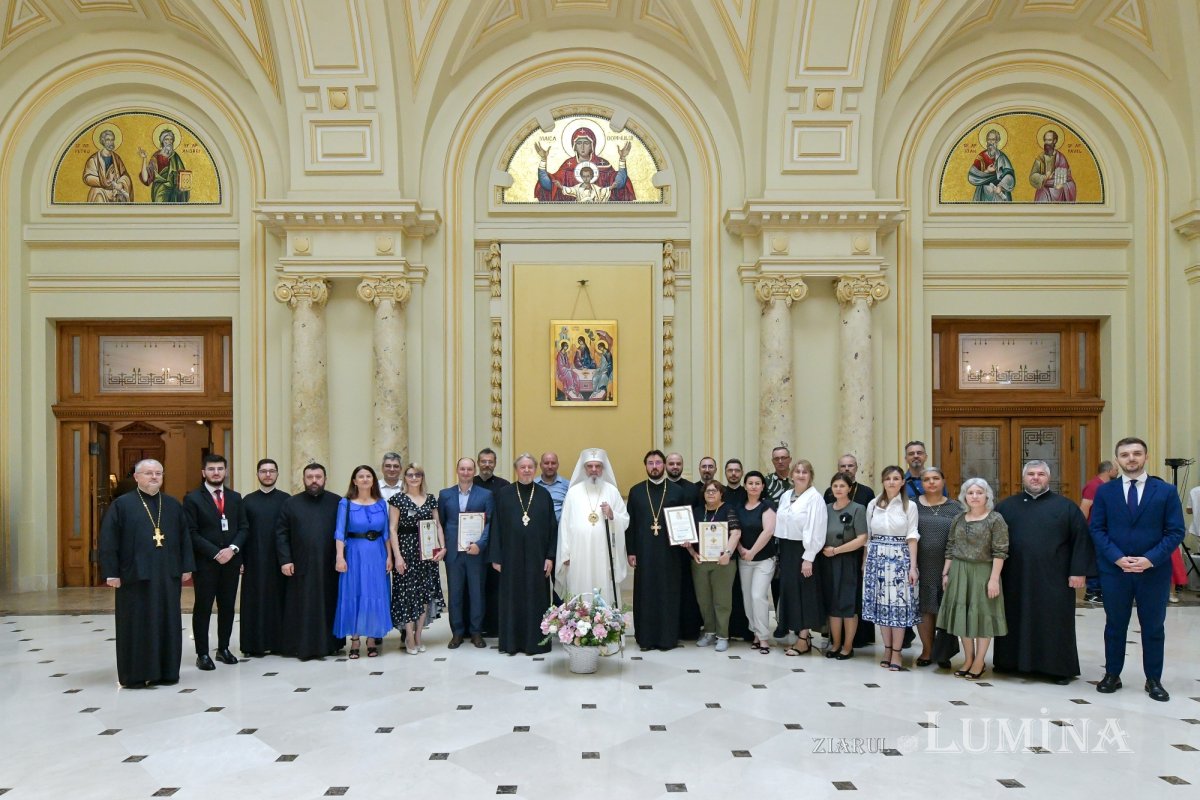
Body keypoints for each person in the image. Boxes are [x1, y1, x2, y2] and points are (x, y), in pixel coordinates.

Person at [1089, 438, 1185, 702]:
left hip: (1153, 572)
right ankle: (1112, 674)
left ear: (1146, 457)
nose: (1131, 458)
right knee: (1115, 625)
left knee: (1153, 627)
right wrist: (1117, 558)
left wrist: (1150, 559)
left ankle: (1153, 679)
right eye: (1125, 454)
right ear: (1117, 459)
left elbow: (1176, 530)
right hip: (1115, 571)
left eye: (1136, 453)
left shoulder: (1165, 491)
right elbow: (1096, 528)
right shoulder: (1105, 492)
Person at [993, 460, 1094, 685]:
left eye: (1040, 474)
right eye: (1031, 474)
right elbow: (993, 541)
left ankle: (1057, 668)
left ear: (1048, 478)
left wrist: (1078, 571)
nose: (1035, 478)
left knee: (1054, 620)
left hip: (1055, 577)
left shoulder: (1066, 507)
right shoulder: (1006, 507)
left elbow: (1081, 539)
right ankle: (1010, 662)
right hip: (1015, 577)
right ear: (1024, 478)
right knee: (1014, 616)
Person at [99, 459, 194, 688]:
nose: (154, 477)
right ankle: (135, 675)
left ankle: (167, 672)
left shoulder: (172, 505)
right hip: (134, 577)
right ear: (136, 477)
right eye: (148, 473)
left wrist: (186, 566)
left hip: (166, 575)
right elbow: (108, 541)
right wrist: (111, 572)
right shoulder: (121, 505)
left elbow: (184, 538)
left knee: (167, 622)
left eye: (158, 473)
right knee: (137, 624)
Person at [938, 478, 1008, 680]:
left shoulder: (995, 519)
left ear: (987, 495)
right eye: (970, 493)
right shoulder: (959, 518)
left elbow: (1000, 551)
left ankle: (979, 662)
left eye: (979, 492)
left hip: (984, 572)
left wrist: (994, 579)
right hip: (959, 571)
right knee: (962, 616)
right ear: (964, 497)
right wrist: (946, 573)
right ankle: (968, 658)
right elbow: (950, 546)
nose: (975, 496)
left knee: (982, 617)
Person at [184, 453, 249, 671]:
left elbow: (243, 528)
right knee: (203, 607)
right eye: (211, 469)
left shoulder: (235, 497)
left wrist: (232, 550)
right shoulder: (192, 498)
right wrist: (215, 552)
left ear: (226, 471)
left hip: (230, 561)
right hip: (206, 563)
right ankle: (202, 653)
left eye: (220, 469)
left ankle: (223, 648)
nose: (216, 473)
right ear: (204, 472)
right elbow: (191, 532)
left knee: (228, 607)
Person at [626, 450, 693, 651]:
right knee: (646, 594)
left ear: (663, 465)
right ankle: (645, 639)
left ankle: (667, 638)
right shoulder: (636, 491)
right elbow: (630, 524)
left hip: (670, 553)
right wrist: (631, 551)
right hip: (644, 553)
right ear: (645, 466)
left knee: (668, 593)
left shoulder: (676, 491)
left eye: (658, 463)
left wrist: (686, 538)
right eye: (650, 463)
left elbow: (683, 520)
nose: (654, 466)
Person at [491, 454, 557, 655]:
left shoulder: (544, 495)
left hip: (537, 559)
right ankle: (511, 643)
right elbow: (496, 527)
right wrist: (496, 557)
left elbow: (553, 528)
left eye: (530, 467)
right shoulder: (504, 494)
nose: (527, 470)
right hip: (510, 558)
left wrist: (550, 556)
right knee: (512, 600)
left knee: (536, 600)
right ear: (516, 469)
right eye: (523, 467)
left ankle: (537, 642)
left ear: (535, 469)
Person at [276, 463, 342, 660]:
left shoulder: (337, 502)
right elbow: (281, 534)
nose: (314, 480)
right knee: (301, 606)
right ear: (303, 479)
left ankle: (331, 644)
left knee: (328, 604)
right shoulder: (291, 503)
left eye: (318, 477)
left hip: (329, 567)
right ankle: (300, 646)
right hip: (300, 566)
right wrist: (285, 560)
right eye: (310, 477)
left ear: (325, 478)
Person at [863, 466, 920, 671]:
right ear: (883, 481)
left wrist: (913, 567)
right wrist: (865, 563)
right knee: (881, 608)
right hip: (876, 557)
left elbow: (912, 536)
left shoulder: (909, 506)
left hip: (900, 558)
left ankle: (897, 652)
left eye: (896, 478)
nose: (892, 482)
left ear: (902, 482)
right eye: (888, 478)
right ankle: (887, 649)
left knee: (898, 608)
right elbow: (868, 537)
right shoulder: (873, 504)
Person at [333, 466, 393, 658]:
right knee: (355, 593)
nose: (365, 479)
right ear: (354, 481)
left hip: (377, 553)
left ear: (373, 480)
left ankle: (372, 638)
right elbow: (340, 533)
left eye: (369, 476)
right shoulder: (346, 503)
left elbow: (386, 534)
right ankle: (356, 640)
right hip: (354, 553)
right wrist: (339, 557)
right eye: (361, 476)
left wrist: (390, 557)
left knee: (374, 593)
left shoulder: (382, 503)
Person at [556, 448, 629, 604]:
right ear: (584, 469)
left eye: (598, 466)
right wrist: (565, 553)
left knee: (603, 587)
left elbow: (625, 520)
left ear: (603, 468)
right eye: (590, 466)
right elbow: (565, 525)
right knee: (579, 588)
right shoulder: (573, 493)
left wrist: (612, 515)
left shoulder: (612, 491)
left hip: (604, 554)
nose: (594, 470)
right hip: (578, 553)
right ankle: (577, 624)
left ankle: (604, 624)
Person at [388, 462, 445, 654]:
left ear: (422, 477)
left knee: (424, 596)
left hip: (427, 553)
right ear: (405, 477)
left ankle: (419, 634)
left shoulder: (430, 499)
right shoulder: (397, 499)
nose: (414, 478)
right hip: (406, 552)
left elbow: (437, 525)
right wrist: (397, 557)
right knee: (407, 595)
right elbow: (392, 529)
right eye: (410, 474)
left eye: (418, 474)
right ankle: (409, 636)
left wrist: (442, 547)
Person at [438, 457, 495, 649]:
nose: (466, 472)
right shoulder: (445, 495)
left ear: (474, 471)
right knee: (455, 594)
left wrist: (481, 544)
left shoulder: (485, 495)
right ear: (457, 470)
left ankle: (476, 632)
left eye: (469, 469)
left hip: (476, 553)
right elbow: (442, 524)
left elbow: (489, 524)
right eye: (462, 469)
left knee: (477, 593)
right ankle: (457, 633)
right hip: (454, 554)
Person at [774, 460, 827, 656]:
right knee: (791, 593)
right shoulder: (786, 496)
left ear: (810, 475)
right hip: (787, 548)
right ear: (792, 474)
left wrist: (809, 557)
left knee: (804, 593)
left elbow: (817, 529)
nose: (801, 475)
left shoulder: (815, 498)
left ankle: (804, 639)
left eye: (805, 472)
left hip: (804, 551)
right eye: (797, 471)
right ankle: (799, 635)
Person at [683, 480, 742, 652]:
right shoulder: (697, 512)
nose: (710, 494)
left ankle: (723, 636)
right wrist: (693, 553)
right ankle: (709, 632)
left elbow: (736, 532)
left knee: (722, 600)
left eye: (714, 491)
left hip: (723, 563)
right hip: (700, 562)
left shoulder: (728, 509)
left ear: (721, 493)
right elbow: (688, 538)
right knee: (704, 600)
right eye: (708, 491)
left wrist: (728, 554)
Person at [913, 466, 963, 667]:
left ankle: (943, 652)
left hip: (947, 565)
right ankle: (927, 650)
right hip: (920, 564)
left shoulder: (956, 507)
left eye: (935, 478)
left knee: (944, 608)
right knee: (924, 608)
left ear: (943, 481)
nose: (931, 482)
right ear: (921, 483)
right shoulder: (912, 506)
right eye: (927, 479)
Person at [240, 458, 289, 658]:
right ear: (258, 474)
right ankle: (255, 644)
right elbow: (241, 530)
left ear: (278, 474)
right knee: (255, 601)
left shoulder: (287, 500)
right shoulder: (247, 501)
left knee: (280, 600)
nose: (268, 475)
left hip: (280, 560)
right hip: (254, 559)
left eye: (271, 471)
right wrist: (240, 559)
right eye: (263, 471)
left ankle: (280, 643)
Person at [820, 472, 867, 660]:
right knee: (833, 603)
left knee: (847, 604)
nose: (838, 489)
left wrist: (837, 551)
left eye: (842, 486)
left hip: (848, 560)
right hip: (827, 560)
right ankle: (836, 643)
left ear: (850, 488)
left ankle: (848, 646)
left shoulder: (858, 509)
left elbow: (862, 538)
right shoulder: (825, 508)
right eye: (835, 486)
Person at [736, 471, 777, 654]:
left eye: (757, 483)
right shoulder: (739, 507)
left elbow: (768, 531)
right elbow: (734, 531)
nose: (753, 486)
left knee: (757, 596)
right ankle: (755, 633)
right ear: (745, 486)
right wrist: (741, 550)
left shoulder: (767, 506)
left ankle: (764, 638)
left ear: (762, 486)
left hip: (764, 560)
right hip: (744, 559)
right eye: (750, 483)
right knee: (747, 599)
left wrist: (752, 551)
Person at [534, 127, 634, 201]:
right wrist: (543, 159)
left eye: (586, 143)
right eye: (578, 143)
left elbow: (619, 183)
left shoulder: (603, 165)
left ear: (592, 145)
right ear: (574, 146)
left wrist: (622, 159)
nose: (582, 147)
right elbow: (549, 185)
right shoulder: (567, 166)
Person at [473, 447, 508, 637]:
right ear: (478, 463)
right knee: (477, 587)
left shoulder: (504, 485)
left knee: (496, 586)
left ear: (495, 464)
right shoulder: (470, 483)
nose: (487, 465)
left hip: (496, 543)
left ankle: (496, 626)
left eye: (490, 461)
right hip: (474, 544)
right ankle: (477, 626)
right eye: (483, 461)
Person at [1079, 460, 1119, 603]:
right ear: (1108, 471)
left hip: (1105, 531)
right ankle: (1093, 591)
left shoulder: (1107, 486)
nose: (1117, 472)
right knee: (1096, 560)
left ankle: (1101, 590)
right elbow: (1084, 508)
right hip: (1093, 530)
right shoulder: (1093, 486)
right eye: (1116, 469)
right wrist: (1082, 529)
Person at [137, 127, 189, 203]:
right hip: (160, 190)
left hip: (174, 191)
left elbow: (183, 175)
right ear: (162, 141)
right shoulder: (156, 157)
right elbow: (145, 178)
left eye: (171, 139)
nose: (169, 142)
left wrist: (183, 186)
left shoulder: (175, 156)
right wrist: (144, 159)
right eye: (166, 139)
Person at [83, 128, 132, 202]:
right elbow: (88, 178)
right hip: (100, 190)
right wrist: (106, 181)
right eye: (108, 140)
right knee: (97, 194)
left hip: (115, 190)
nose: (111, 142)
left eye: (112, 140)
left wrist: (121, 184)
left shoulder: (116, 158)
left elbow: (125, 175)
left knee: (122, 199)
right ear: (102, 141)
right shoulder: (94, 159)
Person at [967, 128, 1015, 202]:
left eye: (993, 140)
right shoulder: (981, 156)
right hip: (984, 194)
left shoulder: (1002, 157)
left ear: (997, 141)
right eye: (989, 139)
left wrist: (1000, 186)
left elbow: (1010, 175)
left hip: (999, 193)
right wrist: (986, 171)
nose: (990, 142)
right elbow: (971, 176)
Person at [1030, 129, 1077, 202]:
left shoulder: (1061, 158)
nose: (1046, 143)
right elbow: (1032, 176)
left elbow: (1068, 179)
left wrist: (1062, 184)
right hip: (1044, 191)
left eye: (1049, 140)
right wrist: (1045, 177)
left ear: (1054, 141)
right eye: (1045, 140)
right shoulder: (1040, 158)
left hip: (1060, 192)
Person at [534, 451, 570, 521]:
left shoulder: (567, 485)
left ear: (558, 465)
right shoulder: (533, 485)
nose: (550, 466)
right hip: (538, 528)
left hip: (559, 529)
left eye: (553, 463)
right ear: (541, 465)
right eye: (546, 463)